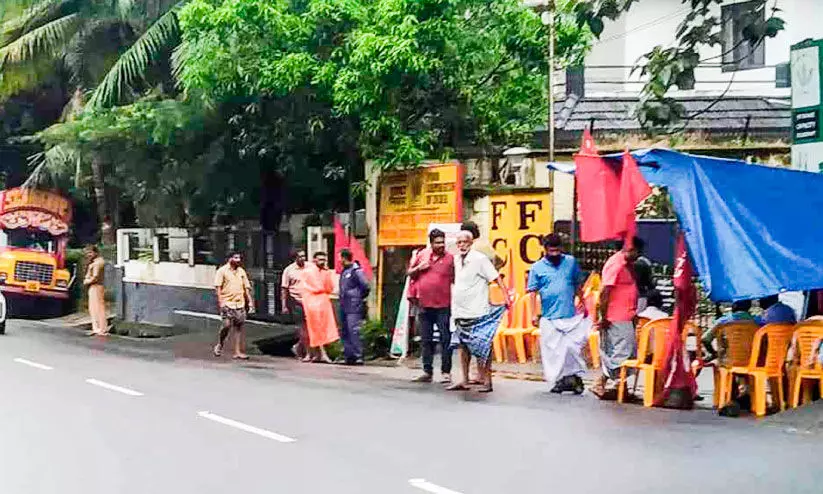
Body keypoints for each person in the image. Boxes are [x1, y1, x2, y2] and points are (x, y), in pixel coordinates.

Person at [447, 230, 510, 393]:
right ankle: (464, 379)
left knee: (483, 347)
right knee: (462, 346)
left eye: (465, 242)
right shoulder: (456, 260)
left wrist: (506, 297)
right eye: (459, 242)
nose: (462, 245)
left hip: (477, 310)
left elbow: (496, 278)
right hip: (460, 311)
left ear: (471, 243)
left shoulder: (479, 259)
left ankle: (487, 381)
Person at [528, 234, 589, 394]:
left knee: (571, 349)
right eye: (551, 250)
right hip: (549, 317)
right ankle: (561, 380)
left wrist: (582, 302)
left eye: (557, 250)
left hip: (569, 315)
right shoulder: (537, 268)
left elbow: (577, 284)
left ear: (561, 249)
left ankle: (575, 378)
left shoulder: (570, 262)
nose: (554, 253)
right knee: (553, 351)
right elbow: (532, 292)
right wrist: (533, 313)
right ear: (545, 249)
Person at [592, 237, 645, 398]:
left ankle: (620, 386)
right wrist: (603, 316)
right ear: (630, 249)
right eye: (637, 252)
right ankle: (607, 383)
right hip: (616, 315)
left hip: (625, 314)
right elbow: (605, 292)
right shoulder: (616, 264)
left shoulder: (626, 265)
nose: (638, 256)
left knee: (625, 351)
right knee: (621, 351)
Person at [409, 229, 455, 384]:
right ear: (431, 243)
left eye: (443, 242)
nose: (441, 245)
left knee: (445, 338)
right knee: (426, 339)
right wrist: (418, 268)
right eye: (438, 242)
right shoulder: (422, 255)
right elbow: (409, 273)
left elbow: (457, 278)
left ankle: (446, 372)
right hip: (424, 304)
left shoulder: (450, 259)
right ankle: (427, 371)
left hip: (444, 304)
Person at [213, 252, 255, 359]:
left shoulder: (241, 272)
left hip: (239, 303)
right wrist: (221, 302)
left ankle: (237, 351)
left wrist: (250, 302)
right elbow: (218, 288)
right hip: (227, 303)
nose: (238, 260)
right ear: (230, 258)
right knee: (226, 326)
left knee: (238, 327)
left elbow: (246, 288)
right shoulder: (222, 271)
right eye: (235, 258)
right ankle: (220, 344)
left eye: (239, 258)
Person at [302, 251, 338, 363]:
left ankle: (318, 354)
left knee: (323, 328)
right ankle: (322, 354)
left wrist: (326, 274)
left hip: (323, 302)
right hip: (312, 302)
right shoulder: (308, 272)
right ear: (314, 260)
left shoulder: (326, 273)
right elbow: (307, 288)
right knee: (316, 328)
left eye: (324, 260)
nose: (322, 262)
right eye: (320, 259)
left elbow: (330, 287)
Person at [338, 249, 370, 365]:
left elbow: (365, 286)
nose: (338, 260)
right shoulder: (344, 271)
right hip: (344, 304)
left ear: (344, 258)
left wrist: (358, 296)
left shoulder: (356, 270)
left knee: (354, 330)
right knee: (345, 331)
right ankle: (349, 355)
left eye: (339, 257)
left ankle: (358, 355)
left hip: (353, 305)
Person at [281, 249, 309, 359]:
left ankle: (298, 347)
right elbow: (284, 289)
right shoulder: (289, 270)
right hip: (296, 302)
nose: (303, 259)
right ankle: (306, 352)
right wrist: (284, 305)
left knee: (310, 328)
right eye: (300, 257)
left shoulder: (310, 267)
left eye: (304, 256)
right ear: (295, 258)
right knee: (302, 328)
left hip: (310, 301)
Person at [84, 245, 108, 336]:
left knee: (96, 307)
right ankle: (100, 328)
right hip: (98, 286)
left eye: (90, 252)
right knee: (98, 307)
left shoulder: (97, 263)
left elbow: (95, 276)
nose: (88, 255)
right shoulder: (98, 262)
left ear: (95, 252)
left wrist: (87, 281)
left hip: (95, 286)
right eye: (87, 253)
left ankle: (99, 328)